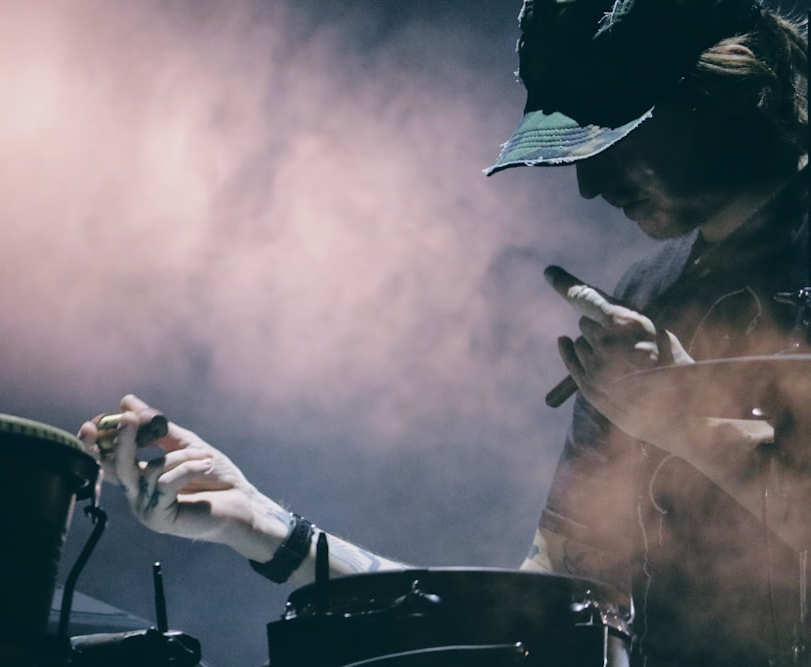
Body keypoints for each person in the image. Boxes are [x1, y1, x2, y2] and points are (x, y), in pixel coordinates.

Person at [78, 0, 810, 665]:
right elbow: (537, 613)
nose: (587, 183)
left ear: (718, 84)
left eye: (612, 141)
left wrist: (690, 425)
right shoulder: (643, 301)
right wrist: (259, 525)